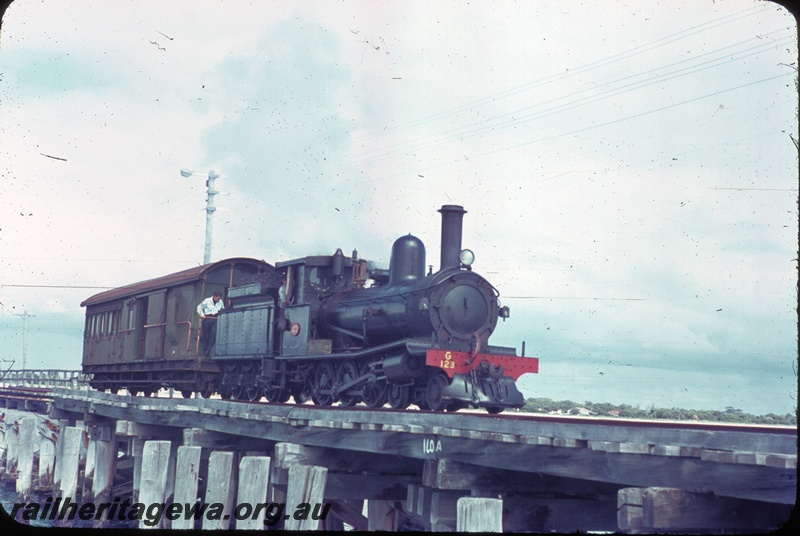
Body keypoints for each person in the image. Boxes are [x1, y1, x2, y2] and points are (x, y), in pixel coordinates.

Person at [197, 290, 224, 357]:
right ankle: (206, 351)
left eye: (220, 298)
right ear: (214, 296)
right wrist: (202, 314)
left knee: (213, 334)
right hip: (207, 318)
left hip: (215, 319)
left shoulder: (220, 302)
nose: (219, 299)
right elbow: (199, 307)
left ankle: (208, 349)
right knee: (206, 335)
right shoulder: (207, 300)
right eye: (218, 298)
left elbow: (223, 309)